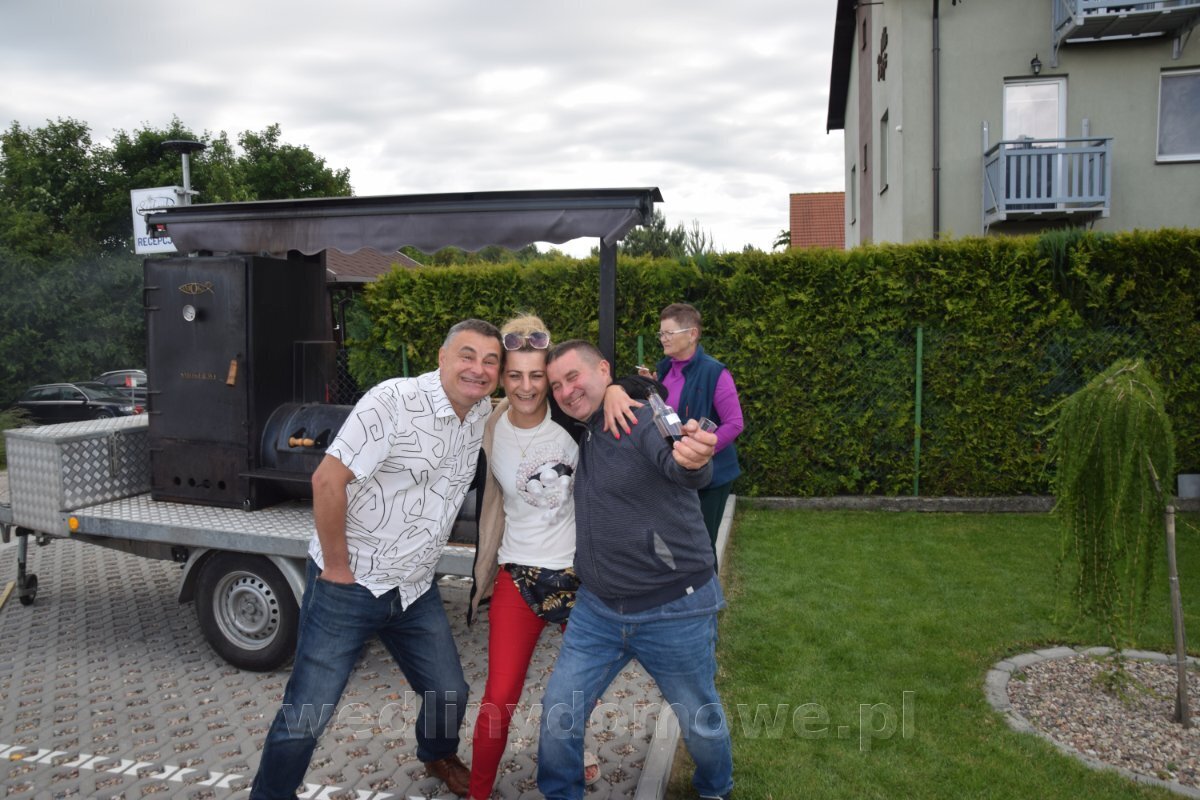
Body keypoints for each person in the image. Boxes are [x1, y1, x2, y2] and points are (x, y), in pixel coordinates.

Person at [248, 319, 504, 800]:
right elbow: (327, 480)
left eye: (491, 361)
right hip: (351, 584)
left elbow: (533, 403)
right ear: (442, 357)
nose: (479, 369)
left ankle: (437, 754)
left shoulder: (480, 412)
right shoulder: (393, 401)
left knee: (450, 692)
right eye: (467, 356)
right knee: (306, 716)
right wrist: (337, 570)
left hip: (414, 588)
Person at [538, 340, 734, 800]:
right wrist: (622, 387)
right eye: (556, 385)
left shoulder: (641, 417)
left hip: (674, 610)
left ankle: (715, 789)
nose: (566, 391)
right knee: (559, 710)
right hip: (598, 611)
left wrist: (695, 460)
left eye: (574, 377)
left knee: (699, 718)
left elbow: (681, 462)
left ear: (603, 369)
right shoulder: (585, 425)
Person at [467, 315, 648, 799]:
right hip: (518, 575)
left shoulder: (572, 418)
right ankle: (478, 791)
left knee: (576, 691)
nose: (526, 387)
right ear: (501, 376)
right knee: (499, 697)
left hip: (581, 577)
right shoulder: (487, 425)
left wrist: (619, 388)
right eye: (514, 375)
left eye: (536, 375)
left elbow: (640, 389)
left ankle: (571, 745)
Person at [640, 303, 744, 564]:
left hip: (711, 477)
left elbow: (734, 423)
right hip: (674, 472)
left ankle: (709, 592)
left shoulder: (714, 372)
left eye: (669, 333)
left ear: (692, 334)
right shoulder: (665, 369)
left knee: (702, 546)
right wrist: (652, 387)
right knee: (678, 545)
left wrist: (702, 451)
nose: (663, 338)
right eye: (661, 333)